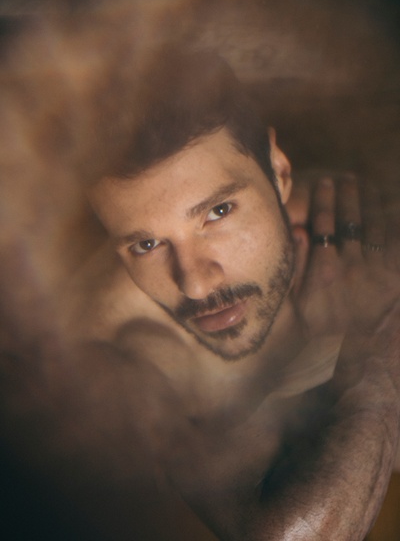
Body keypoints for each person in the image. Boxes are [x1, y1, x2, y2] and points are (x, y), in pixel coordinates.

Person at [84, 47, 400, 540]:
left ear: (278, 170)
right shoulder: (123, 345)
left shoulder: (367, 229)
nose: (195, 283)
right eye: (146, 245)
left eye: (218, 212)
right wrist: (372, 357)